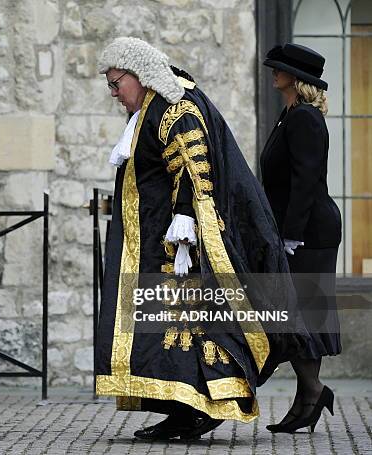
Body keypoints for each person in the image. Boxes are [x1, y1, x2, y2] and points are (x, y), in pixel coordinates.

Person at [95, 37, 309, 440]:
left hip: (180, 250)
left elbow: (195, 171)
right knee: (162, 332)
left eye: (115, 83)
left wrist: (184, 223)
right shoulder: (152, 108)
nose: (113, 93)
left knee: (191, 329)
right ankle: (183, 410)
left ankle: (202, 408)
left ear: (137, 75)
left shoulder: (175, 109)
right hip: (157, 244)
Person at [260, 43, 341, 433]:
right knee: (297, 315)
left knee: (301, 315)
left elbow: (306, 181)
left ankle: (312, 393)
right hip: (299, 228)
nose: (273, 73)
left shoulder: (304, 118)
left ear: (297, 79)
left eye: (278, 69)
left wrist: (291, 235)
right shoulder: (290, 114)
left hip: (310, 232)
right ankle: (309, 397)